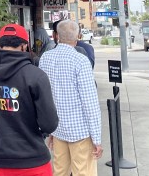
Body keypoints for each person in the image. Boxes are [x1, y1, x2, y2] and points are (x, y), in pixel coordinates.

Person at [0, 23, 59, 176]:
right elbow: (49, 124)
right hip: (33, 161)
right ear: (24, 46)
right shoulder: (36, 75)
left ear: (0, 44)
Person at [38, 20, 102, 176]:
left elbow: (44, 96)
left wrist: (50, 129)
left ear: (57, 36)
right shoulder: (80, 60)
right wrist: (97, 138)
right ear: (78, 36)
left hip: (58, 128)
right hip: (80, 130)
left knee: (59, 171)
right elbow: (90, 102)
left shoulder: (45, 58)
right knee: (84, 172)